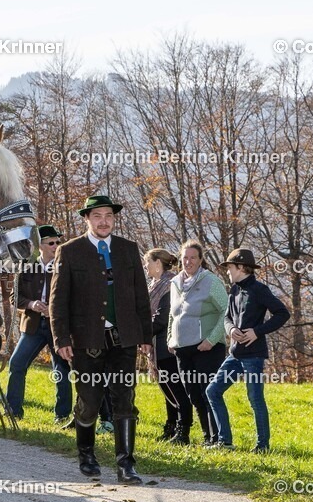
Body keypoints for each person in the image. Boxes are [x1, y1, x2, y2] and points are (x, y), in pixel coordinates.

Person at [50, 195, 152, 485]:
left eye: (108, 215)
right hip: (86, 340)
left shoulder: (128, 250)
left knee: (125, 400)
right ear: (87, 219)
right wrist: (61, 338)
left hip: (124, 339)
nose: (104, 221)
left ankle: (125, 464)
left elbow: (140, 296)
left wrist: (145, 335)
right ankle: (86, 454)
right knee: (90, 401)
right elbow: (58, 300)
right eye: (97, 216)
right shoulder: (70, 252)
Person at [207, 248, 290, 453]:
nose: (227, 271)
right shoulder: (234, 290)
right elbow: (226, 318)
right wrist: (231, 329)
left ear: (241, 268)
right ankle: (225, 441)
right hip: (235, 355)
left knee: (255, 398)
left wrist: (257, 332)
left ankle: (262, 446)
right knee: (213, 391)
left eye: (230, 267)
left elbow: (282, 313)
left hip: (254, 355)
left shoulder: (260, 290)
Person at [5, 225, 72, 423]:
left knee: (62, 371)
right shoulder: (26, 266)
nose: (56, 246)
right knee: (16, 364)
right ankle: (13, 410)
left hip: (57, 328)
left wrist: (54, 308)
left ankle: (62, 415)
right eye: (51, 243)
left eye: (58, 242)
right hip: (32, 327)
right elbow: (14, 297)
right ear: (40, 246)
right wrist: (32, 304)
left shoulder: (65, 267)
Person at [166, 240, 228, 446]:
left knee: (207, 392)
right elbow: (172, 315)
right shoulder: (175, 282)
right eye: (185, 257)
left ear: (201, 260)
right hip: (183, 349)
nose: (188, 261)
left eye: (193, 257)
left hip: (207, 348)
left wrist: (211, 339)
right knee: (193, 394)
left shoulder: (210, 281)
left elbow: (226, 312)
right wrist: (169, 338)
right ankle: (206, 436)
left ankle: (217, 437)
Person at [145, 248, 191, 443]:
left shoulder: (170, 284)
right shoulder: (154, 285)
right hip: (157, 347)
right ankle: (170, 427)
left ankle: (183, 430)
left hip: (168, 347)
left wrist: (140, 334)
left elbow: (162, 318)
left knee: (177, 390)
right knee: (167, 389)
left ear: (157, 263)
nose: (145, 266)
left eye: (147, 262)